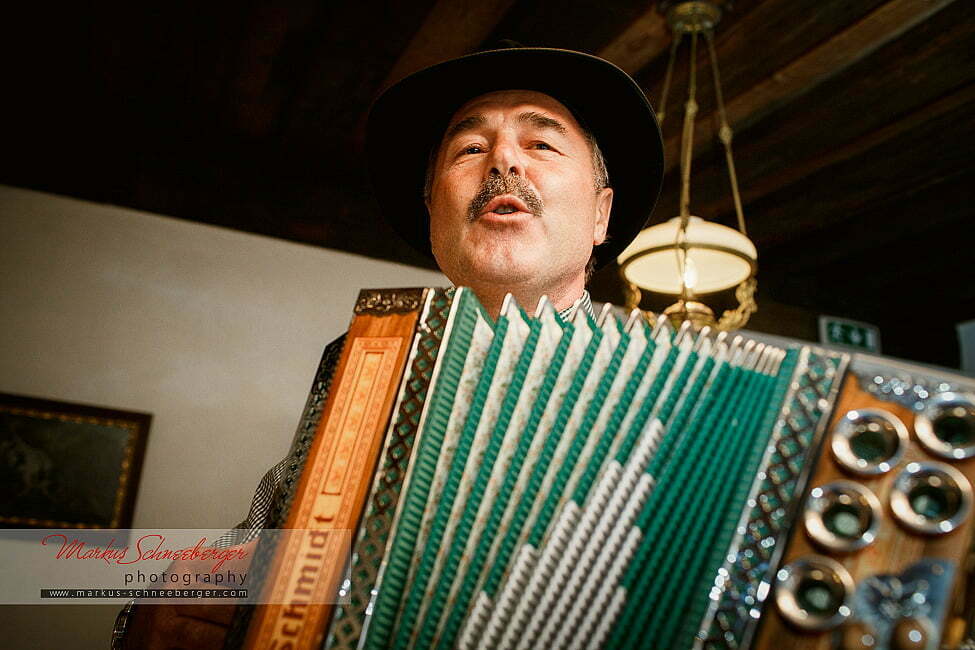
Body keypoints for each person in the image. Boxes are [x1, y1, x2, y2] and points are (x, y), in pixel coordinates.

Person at [116, 42, 663, 649]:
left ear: (601, 215)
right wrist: (154, 610)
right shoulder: (365, 361)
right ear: (433, 215)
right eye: (470, 148)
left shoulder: (677, 394)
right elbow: (264, 546)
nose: (503, 160)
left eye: (541, 144)